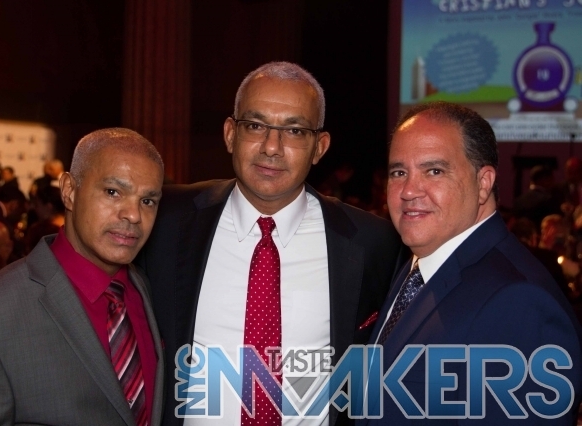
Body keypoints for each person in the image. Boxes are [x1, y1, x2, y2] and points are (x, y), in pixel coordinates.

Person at [135, 62, 407, 426]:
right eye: (255, 125)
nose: (272, 147)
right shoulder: (165, 220)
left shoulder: (373, 243)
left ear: (319, 147)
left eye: (294, 130)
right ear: (230, 134)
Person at [361, 102, 582, 424]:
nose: (408, 191)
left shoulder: (519, 301)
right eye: (399, 172)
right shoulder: (416, 265)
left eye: (434, 171)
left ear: (484, 183)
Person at [0, 128, 166, 426]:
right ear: (69, 191)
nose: (134, 215)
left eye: (148, 200)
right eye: (113, 192)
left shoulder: (148, 291)